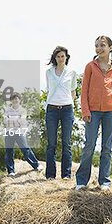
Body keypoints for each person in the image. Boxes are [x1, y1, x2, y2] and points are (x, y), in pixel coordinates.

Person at [75, 36, 112, 191]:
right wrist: (85, 110)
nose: (99, 48)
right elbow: (84, 91)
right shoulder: (90, 66)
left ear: (110, 47)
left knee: (107, 148)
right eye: (96, 46)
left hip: (110, 111)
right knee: (89, 146)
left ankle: (105, 182)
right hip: (93, 112)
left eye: (102, 45)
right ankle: (82, 181)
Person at [45, 46, 77, 179]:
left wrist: (68, 103)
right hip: (52, 109)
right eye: (58, 56)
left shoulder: (72, 72)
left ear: (66, 57)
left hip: (67, 109)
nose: (60, 58)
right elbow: (49, 89)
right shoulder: (49, 72)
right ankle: (50, 175)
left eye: (62, 56)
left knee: (66, 143)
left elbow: (73, 91)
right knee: (51, 144)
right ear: (55, 58)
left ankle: (66, 175)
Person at [4, 92, 43, 176]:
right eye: (13, 99)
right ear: (11, 101)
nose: (15, 100)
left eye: (16, 99)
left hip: (19, 132)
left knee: (25, 149)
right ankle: (11, 171)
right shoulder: (7, 110)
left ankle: (37, 165)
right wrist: (16, 119)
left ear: (19, 100)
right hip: (9, 132)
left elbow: (22, 121)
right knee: (9, 151)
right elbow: (5, 121)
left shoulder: (23, 110)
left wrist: (11, 119)